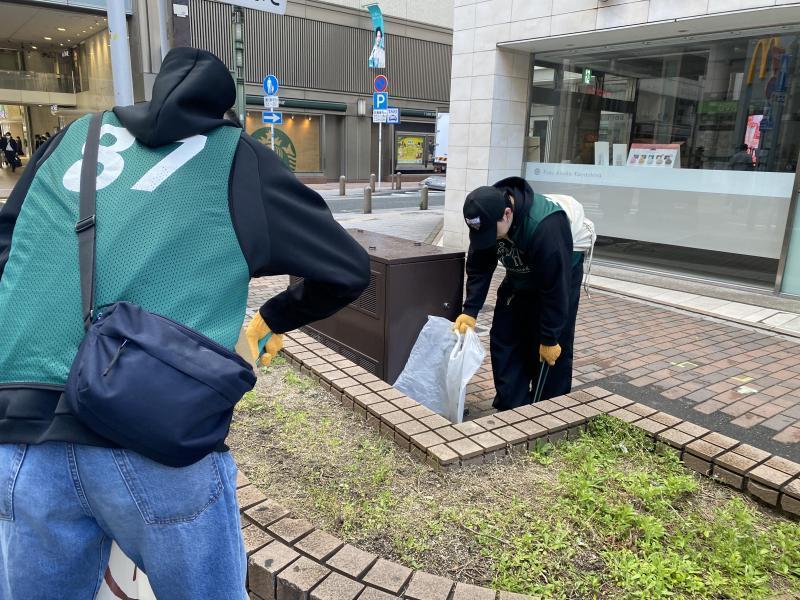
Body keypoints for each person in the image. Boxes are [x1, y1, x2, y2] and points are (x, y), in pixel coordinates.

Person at [0, 47, 369, 599]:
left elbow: (7, 248)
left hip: (21, 431)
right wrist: (272, 316)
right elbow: (347, 269)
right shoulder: (238, 159)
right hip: (155, 439)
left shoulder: (74, 137)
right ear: (223, 111)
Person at [454, 177, 582, 410]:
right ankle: (513, 406)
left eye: (492, 233)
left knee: (550, 352)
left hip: (560, 280)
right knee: (505, 337)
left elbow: (555, 289)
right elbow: (479, 266)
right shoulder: (486, 217)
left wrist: (550, 337)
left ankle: (549, 411)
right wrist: (470, 310)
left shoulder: (546, 226)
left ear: (507, 213)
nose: (490, 240)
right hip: (519, 279)